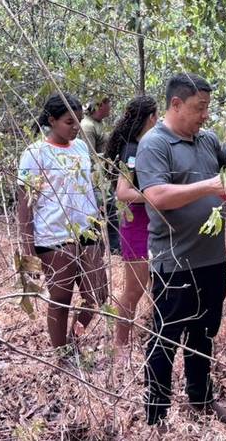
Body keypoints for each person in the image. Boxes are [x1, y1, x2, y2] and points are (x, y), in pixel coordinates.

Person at [136, 73, 226, 427]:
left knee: (204, 332)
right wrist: (210, 185)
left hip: (212, 260)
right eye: (199, 108)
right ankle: (156, 413)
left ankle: (201, 397)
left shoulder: (207, 140)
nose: (205, 115)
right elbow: (156, 196)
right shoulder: (154, 144)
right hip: (174, 263)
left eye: (207, 107)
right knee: (165, 337)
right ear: (175, 104)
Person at [16, 92, 108, 355]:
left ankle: (74, 339)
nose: (76, 127)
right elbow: (25, 204)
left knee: (97, 295)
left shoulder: (80, 148)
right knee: (60, 301)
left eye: (79, 121)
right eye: (70, 122)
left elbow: (88, 189)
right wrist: (27, 250)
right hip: (54, 237)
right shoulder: (35, 154)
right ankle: (61, 354)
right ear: (52, 120)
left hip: (87, 232)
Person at [104, 95, 159, 356]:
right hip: (135, 223)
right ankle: (120, 345)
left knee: (153, 284)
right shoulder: (132, 151)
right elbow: (122, 192)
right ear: (151, 118)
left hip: (150, 223)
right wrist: (155, 196)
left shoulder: (143, 147)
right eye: (156, 116)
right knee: (134, 288)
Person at [80, 94, 121, 254]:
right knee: (104, 209)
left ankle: (114, 246)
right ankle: (103, 247)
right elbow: (90, 156)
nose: (110, 107)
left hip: (104, 174)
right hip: (95, 176)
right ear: (100, 105)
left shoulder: (98, 124)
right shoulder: (87, 126)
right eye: (108, 104)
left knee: (111, 210)